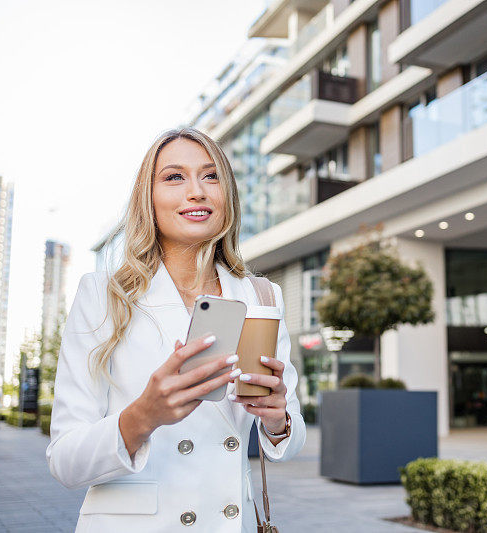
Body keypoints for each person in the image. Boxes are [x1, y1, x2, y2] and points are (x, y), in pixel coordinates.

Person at [46, 127, 305, 532]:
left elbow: (290, 439)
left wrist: (277, 421)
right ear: (147, 198)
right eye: (174, 177)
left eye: (211, 175)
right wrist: (143, 416)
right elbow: (64, 461)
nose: (197, 191)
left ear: (228, 195)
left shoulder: (262, 295)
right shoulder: (103, 294)